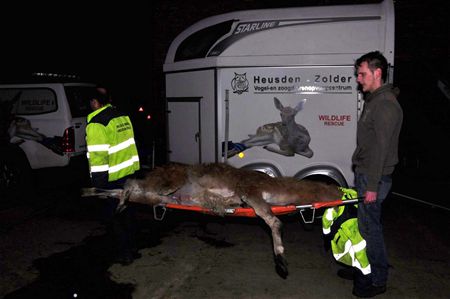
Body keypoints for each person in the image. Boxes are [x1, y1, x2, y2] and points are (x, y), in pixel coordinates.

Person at [347, 51, 403, 297]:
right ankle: (362, 267)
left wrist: (371, 186)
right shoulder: (374, 101)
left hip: (374, 179)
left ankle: (378, 280)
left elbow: (380, 150)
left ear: (377, 73)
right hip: (367, 175)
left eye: (362, 73)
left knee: (371, 230)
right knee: (363, 227)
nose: (359, 79)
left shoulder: (385, 105)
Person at [86, 86, 141, 265]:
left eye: (91, 103)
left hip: (111, 178)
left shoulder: (96, 123)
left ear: (95, 102)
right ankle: (133, 248)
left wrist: (98, 184)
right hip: (130, 173)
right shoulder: (122, 116)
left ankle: (124, 254)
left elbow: (98, 156)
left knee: (114, 217)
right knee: (129, 213)